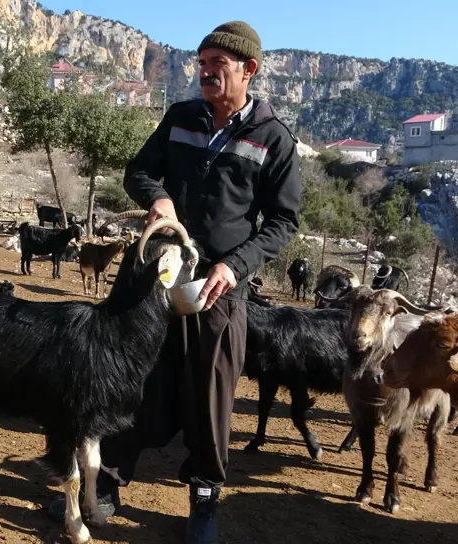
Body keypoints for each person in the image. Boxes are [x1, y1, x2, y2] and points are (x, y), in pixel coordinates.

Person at [48, 21, 301, 543]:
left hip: (217, 284)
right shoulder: (181, 117)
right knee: (127, 371)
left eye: (218, 65)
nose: (205, 73)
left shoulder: (273, 138)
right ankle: (109, 476)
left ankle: (205, 495)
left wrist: (235, 266)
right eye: (201, 64)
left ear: (248, 70)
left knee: (213, 386)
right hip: (154, 271)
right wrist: (156, 198)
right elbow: (138, 172)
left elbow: (283, 223)